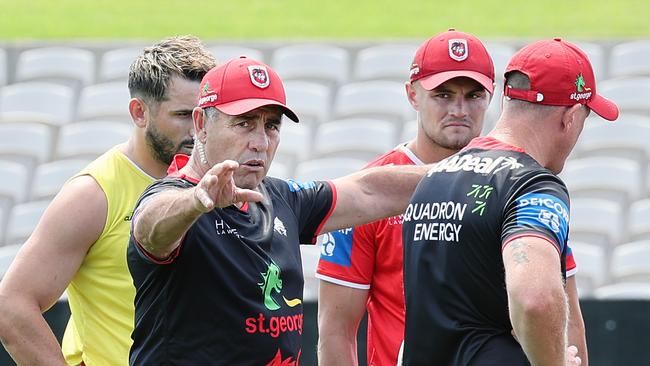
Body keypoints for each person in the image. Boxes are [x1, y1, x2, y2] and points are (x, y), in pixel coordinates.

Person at [126, 56, 430, 365]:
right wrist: (196, 202)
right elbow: (150, 230)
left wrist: (461, 171)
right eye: (244, 123)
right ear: (202, 125)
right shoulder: (174, 195)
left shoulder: (280, 197)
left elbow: (368, 191)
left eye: (271, 126)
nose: (260, 142)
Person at [316, 30, 587, 366]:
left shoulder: (518, 184)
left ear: (494, 98)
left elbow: (563, 305)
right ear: (412, 95)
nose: (459, 110)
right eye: (443, 94)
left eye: (474, 95)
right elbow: (336, 331)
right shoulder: (370, 195)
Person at [0, 36, 217, 365]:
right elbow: (11, 305)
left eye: (205, 115)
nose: (196, 129)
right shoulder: (93, 195)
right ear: (139, 112)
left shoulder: (217, 182)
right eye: (183, 115)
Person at [400, 38, 618, 365]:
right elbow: (535, 299)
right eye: (584, 119)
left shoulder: (435, 178)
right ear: (570, 117)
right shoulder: (531, 185)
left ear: (504, 102)